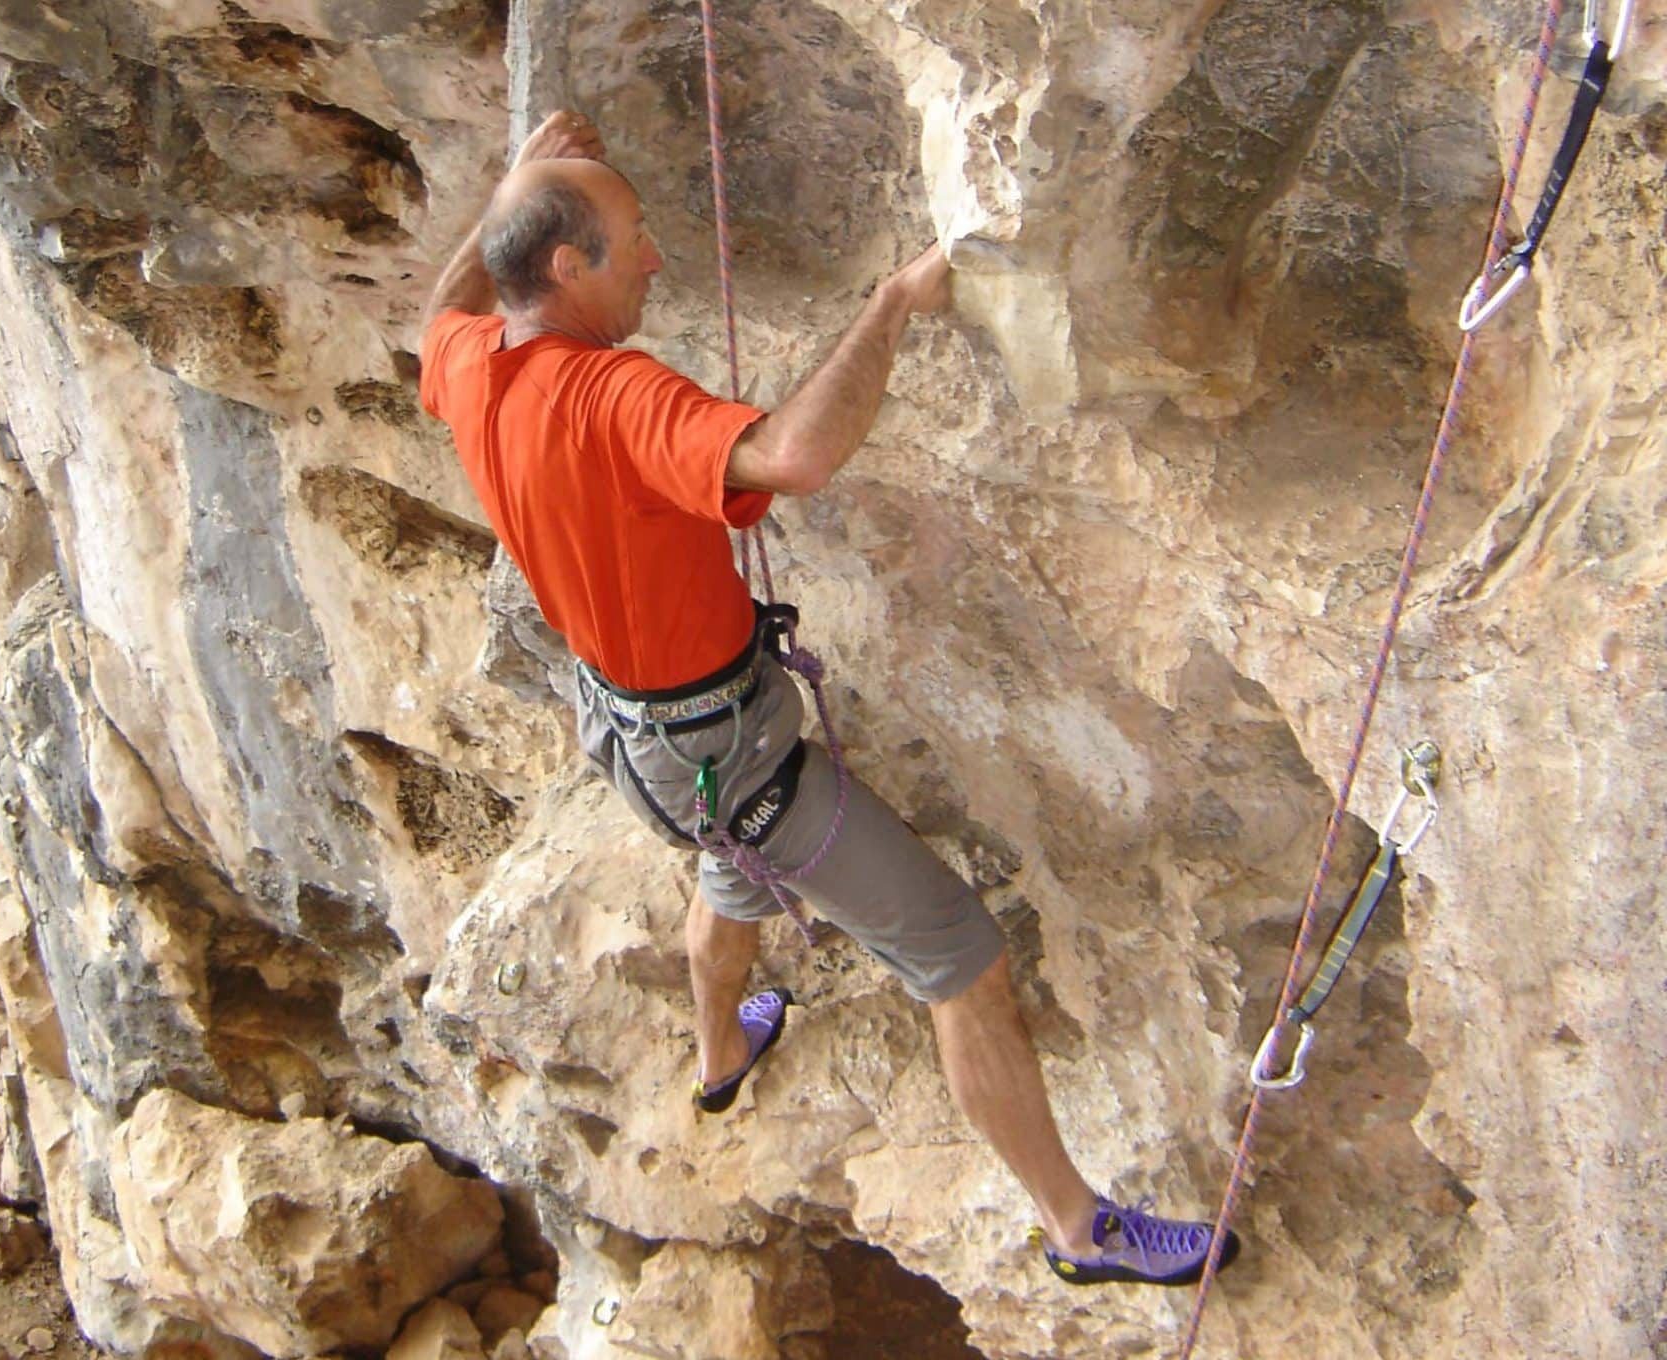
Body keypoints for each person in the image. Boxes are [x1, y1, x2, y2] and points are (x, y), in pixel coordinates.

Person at [418, 109, 1240, 1288]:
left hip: (641, 729)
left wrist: (510, 188)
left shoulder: (471, 363)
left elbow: (433, 317)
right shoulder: (610, 396)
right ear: (565, 266)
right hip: (723, 749)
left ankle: (721, 1057)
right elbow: (794, 456)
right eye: (634, 239)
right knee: (960, 955)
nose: (656, 257)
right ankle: (1078, 1230)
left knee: (729, 861)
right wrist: (892, 305)